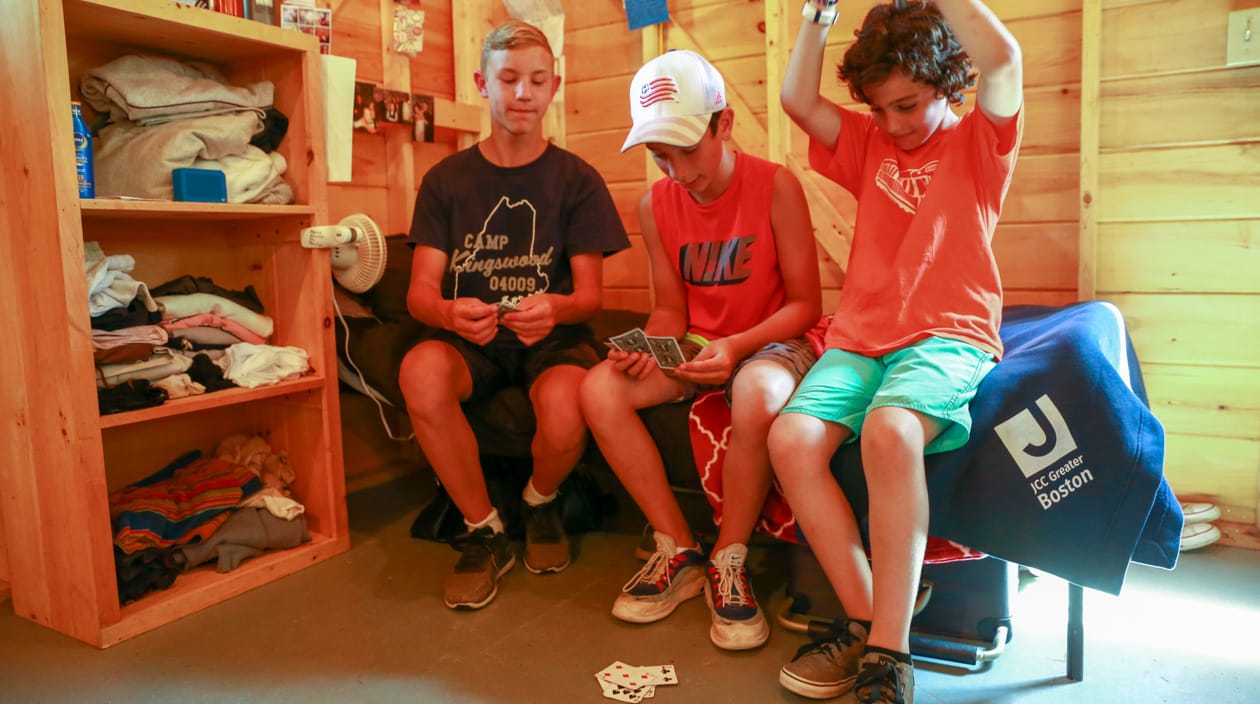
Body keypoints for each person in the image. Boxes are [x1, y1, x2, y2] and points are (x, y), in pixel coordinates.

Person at [769, 1, 1023, 700]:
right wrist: (819, 15)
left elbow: (1003, 59)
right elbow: (796, 99)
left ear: (946, 82)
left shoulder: (981, 142)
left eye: (907, 105)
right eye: (880, 110)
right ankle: (868, 614)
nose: (894, 124)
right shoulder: (870, 144)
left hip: (949, 330)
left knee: (889, 430)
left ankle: (890, 652)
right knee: (790, 438)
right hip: (861, 334)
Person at [579, 50, 823, 651]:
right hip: (696, 347)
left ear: (724, 123)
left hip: (768, 340)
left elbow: (806, 305)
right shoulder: (653, 204)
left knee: (757, 390)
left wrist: (736, 345)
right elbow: (670, 311)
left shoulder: (776, 186)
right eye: (661, 156)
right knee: (596, 389)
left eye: (689, 150)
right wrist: (649, 349)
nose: (677, 171)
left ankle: (728, 558)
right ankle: (677, 550)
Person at [400, 18, 630, 610]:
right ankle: (485, 531)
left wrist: (554, 307)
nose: (523, 93)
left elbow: (589, 298)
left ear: (554, 85)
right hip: (471, 340)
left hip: (552, 339)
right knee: (419, 371)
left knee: (564, 403)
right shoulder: (446, 181)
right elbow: (420, 294)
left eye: (536, 80)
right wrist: (450, 314)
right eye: (509, 79)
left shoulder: (577, 179)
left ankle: (539, 500)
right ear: (483, 83)